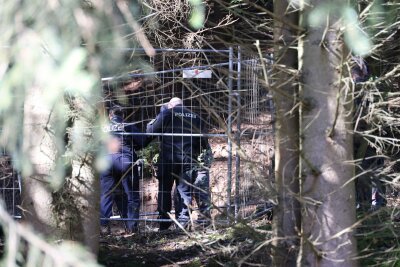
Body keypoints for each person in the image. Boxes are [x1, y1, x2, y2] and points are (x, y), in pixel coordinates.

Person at [146, 97, 204, 230]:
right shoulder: (195, 116)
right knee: (184, 191)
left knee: (165, 190)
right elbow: (202, 140)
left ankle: (164, 224)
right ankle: (183, 223)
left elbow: (150, 130)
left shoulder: (167, 113)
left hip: (168, 158)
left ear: (170, 105)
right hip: (188, 158)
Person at [100, 106, 147, 234]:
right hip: (125, 162)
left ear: (110, 116)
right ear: (123, 115)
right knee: (132, 196)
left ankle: (103, 226)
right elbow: (142, 141)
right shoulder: (127, 125)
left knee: (106, 195)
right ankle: (132, 227)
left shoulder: (102, 128)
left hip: (106, 162)